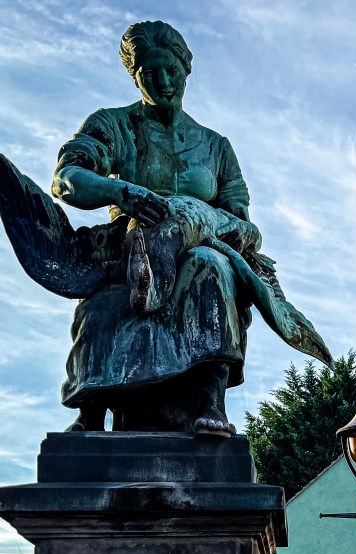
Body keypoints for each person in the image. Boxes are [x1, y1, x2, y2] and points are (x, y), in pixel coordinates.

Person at [0, 20, 330, 436]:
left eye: (171, 70)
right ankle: (90, 413)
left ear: (186, 69)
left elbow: (241, 218)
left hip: (201, 246)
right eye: (148, 72)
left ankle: (211, 405)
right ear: (134, 74)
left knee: (209, 270)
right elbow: (67, 178)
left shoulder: (215, 146)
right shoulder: (112, 125)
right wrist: (121, 193)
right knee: (103, 301)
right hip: (126, 248)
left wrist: (214, 224)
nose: (162, 81)